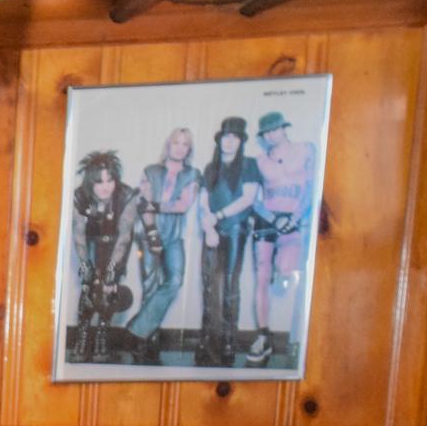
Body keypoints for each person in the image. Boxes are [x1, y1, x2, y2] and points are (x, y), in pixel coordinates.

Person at [248, 108, 316, 365]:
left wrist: (294, 218)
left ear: (284, 128)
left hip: (296, 220)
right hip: (268, 219)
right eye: (266, 132)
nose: (271, 135)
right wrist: (274, 218)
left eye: (275, 129)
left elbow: (311, 188)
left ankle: (297, 336)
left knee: (286, 268)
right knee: (262, 276)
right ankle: (263, 336)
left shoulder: (306, 150)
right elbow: (255, 197)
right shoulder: (259, 159)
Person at [124, 126, 199, 358]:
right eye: (176, 142)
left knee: (175, 280)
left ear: (189, 149)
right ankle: (147, 340)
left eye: (185, 144)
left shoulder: (193, 174)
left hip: (174, 236)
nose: (180, 147)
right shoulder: (151, 171)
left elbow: (183, 205)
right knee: (150, 284)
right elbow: (143, 203)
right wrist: (152, 232)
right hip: (149, 232)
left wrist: (156, 206)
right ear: (168, 145)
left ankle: (138, 329)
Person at [197, 115, 261, 366]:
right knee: (209, 284)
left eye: (235, 137)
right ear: (220, 139)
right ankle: (207, 338)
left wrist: (218, 216)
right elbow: (203, 199)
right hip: (212, 230)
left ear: (241, 141)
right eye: (226, 136)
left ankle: (228, 340)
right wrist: (207, 223)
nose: (229, 141)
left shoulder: (248, 165)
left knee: (231, 286)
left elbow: (248, 198)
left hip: (236, 230)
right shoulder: (210, 168)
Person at [69, 150, 141, 363]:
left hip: (116, 245)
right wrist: (84, 264)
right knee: (89, 285)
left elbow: (125, 236)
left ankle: (101, 336)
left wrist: (112, 271)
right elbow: (79, 234)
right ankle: (82, 338)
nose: (105, 186)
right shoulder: (79, 196)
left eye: (110, 180)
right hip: (90, 243)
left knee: (109, 288)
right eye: (99, 182)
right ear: (90, 183)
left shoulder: (127, 195)